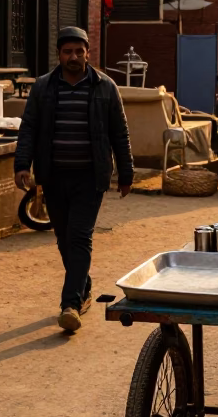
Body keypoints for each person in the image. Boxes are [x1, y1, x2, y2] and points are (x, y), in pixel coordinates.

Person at [13, 27, 133, 333]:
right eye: (68, 52)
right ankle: (85, 286)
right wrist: (22, 164)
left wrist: (126, 173)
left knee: (79, 236)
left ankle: (70, 304)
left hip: (90, 177)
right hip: (53, 176)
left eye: (80, 51)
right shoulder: (43, 87)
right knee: (64, 238)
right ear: (59, 55)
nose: (74, 57)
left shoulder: (105, 86)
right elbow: (28, 128)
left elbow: (120, 132)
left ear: (88, 53)